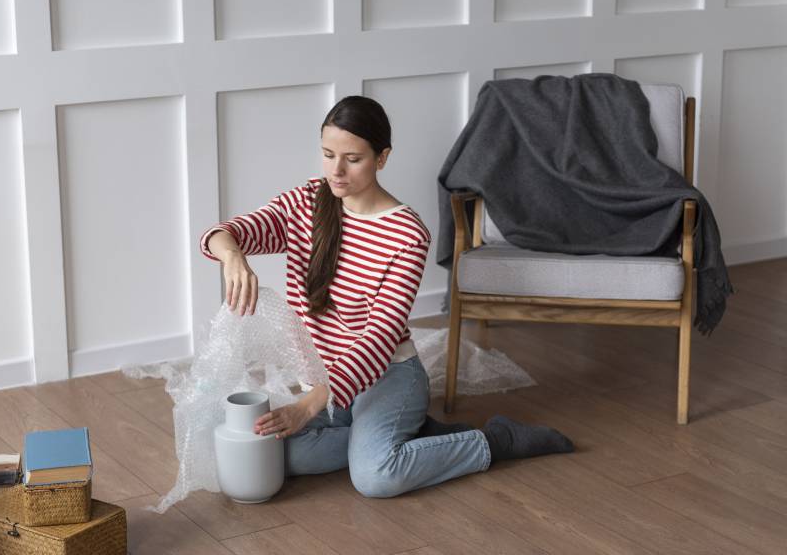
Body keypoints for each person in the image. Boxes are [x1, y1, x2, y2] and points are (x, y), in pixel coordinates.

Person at [200, 95, 574, 498]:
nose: (336, 170)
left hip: (386, 376)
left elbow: (380, 338)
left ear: (382, 157)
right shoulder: (307, 202)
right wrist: (233, 256)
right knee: (279, 456)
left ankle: (495, 440)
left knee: (377, 477)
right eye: (328, 155)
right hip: (328, 380)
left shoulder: (407, 234)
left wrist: (308, 406)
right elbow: (225, 234)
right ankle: (401, 434)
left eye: (353, 159)